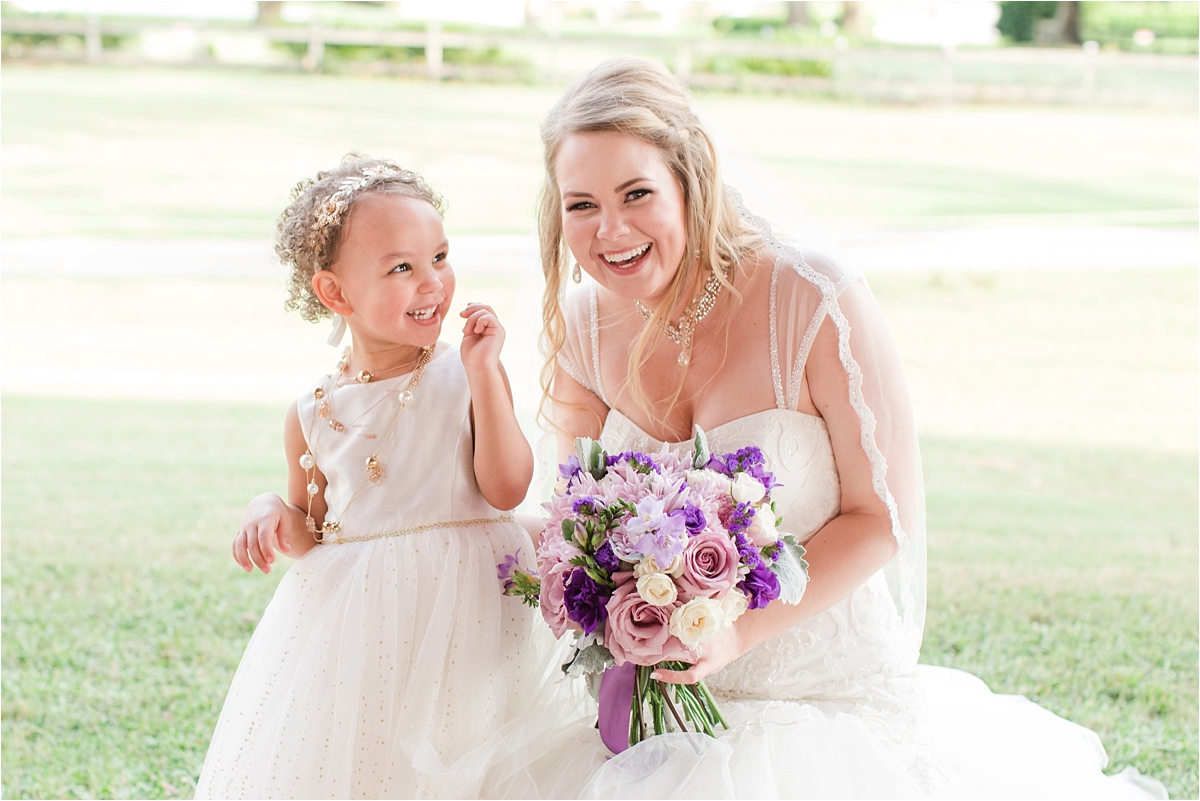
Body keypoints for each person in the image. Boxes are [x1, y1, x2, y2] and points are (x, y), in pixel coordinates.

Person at [532, 57, 1166, 799]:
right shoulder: (579, 325)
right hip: (652, 713)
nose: (610, 229)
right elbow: (572, 521)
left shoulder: (810, 299)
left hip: (822, 700)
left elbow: (879, 517)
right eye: (580, 205)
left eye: (636, 193)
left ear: (690, 180)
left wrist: (735, 630)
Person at [195, 157, 564, 798]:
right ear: (336, 294)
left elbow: (507, 490)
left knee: (469, 761)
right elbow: (313, 532)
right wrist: (268, 506)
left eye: (440, 258)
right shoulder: (314, 410)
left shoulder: (466, 375)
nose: (433, 284)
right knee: (372, 767)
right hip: (365, 624)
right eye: (402, 268)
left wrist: (482, 371)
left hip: (472, 609)